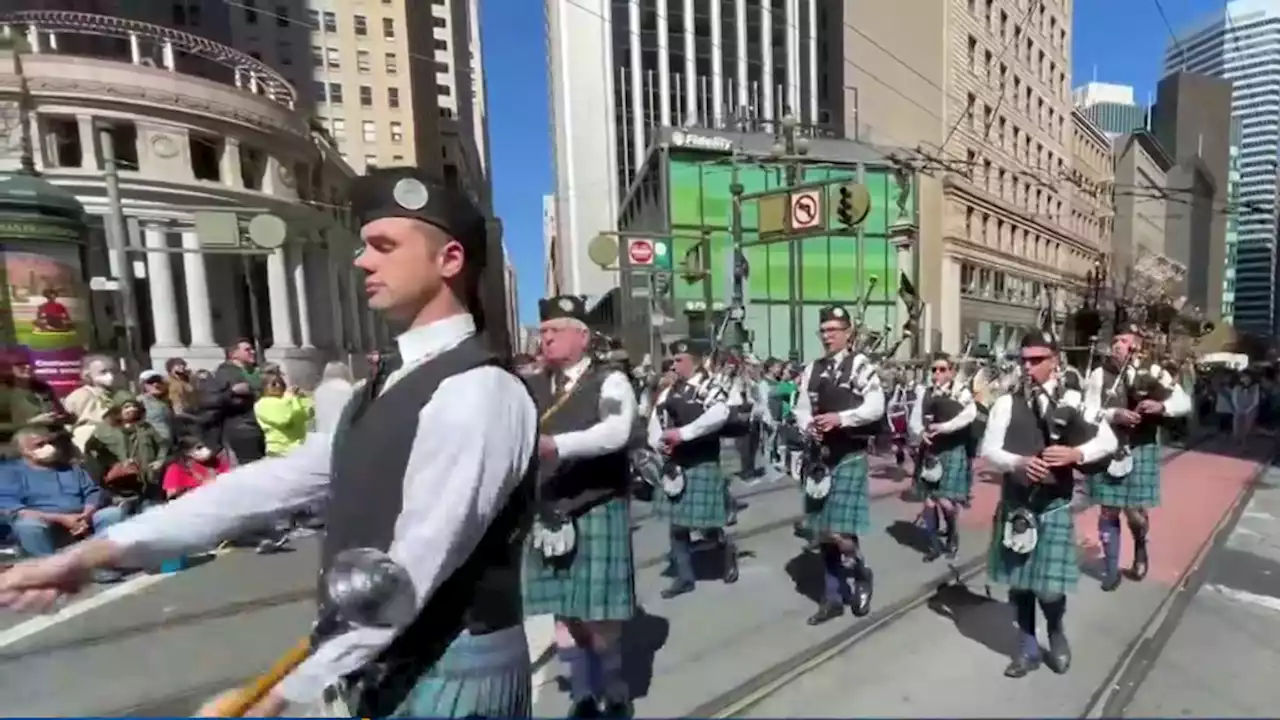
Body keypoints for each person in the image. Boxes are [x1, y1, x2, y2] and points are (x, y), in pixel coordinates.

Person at [0, 167, 539, 718]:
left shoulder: (479, 391)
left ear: (449, 260)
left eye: (383, 246)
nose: (362, 261)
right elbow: (264, 485)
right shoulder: (381, 386)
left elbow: (411, 570)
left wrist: (275, 697)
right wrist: (94, 554)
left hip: (450, 670)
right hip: (380, 662)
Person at [523, 294, 638, 718]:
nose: (546, 338)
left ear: (582, 336)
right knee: (564, 611)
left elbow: (616, 431)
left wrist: (556, 445)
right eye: (544, 331)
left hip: (596, 506)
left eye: (555, 331)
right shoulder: (532, 385)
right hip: (548, 509)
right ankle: (583, 695)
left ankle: (613, 685)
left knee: (600, 616)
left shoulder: (610, 381)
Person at [981, 330, 1117, 678]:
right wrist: (1019, 463)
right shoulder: (1006, 403)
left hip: (1054, 505)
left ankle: (1055, 630)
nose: (1028, 367)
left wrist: (1076, 453)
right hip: (1017, 505)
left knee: (1050, 587)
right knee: (1021, 583)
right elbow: (990, 450)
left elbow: (1108, 440)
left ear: (1054, 360)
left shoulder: (1074, 401)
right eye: (1023, 360)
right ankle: (1027, 648)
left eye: (1037, 360)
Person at [793, 305, 886, 625]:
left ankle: (861, 572)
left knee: (837, 530)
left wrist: (841, 419)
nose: (828, 336)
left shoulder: (860, 366)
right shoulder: (812, 369)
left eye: (834, 330)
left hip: (849, 456)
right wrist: (809, 425)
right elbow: (802, 407)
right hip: (821, 458)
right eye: (824, 330)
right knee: (822, 533)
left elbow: (875, 406)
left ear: (848, 333)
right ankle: (832, 597)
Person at [1082, 326, 1192, 592]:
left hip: (1141, 446)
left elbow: (1184, 401)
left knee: (1135, 513)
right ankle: (1110, 569)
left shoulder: (1154, 372)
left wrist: (1161, 407)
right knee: (1108, 509)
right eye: (1116, 340)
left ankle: (1140, 547)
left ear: (1137, 347)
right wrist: (1113, 414)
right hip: (1108, 448)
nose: (1117, 345)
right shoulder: (1100, 374)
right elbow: (1087, 411)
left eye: (1124, 341)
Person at [647, 338, 739, 599]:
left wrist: (683, 434)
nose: (674, 365)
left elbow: (719, 413)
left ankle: (726, 554)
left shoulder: (709, 386)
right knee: (677, 525)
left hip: (702, 461)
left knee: (705, 524)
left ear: (695, 361)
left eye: (679, 360)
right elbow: (655, 422)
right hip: (676, 464)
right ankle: (684, 577)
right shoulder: (668, 391)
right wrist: (659, 444)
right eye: (673, 360)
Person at [0, 427, 125, 581]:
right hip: (48, 527)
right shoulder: (10, 473)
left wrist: (87, 514)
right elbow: (14, 508)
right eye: (40, 444)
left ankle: (100, 564)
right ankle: (54, 573)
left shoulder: (70, 468)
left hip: (82, 522)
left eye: (50, 442)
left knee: (112, 514)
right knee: (28, 526)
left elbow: (93, 492)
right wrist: (62, 519)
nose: (49, 447)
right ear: (25, 450)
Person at [908, 352, 977, 562]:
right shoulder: (925, 393)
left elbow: (970, 414)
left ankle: (952, 535)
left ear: (951, 372)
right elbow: (914, 420)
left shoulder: (961, 392)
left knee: (946, 502)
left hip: (953, 448)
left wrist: (944, 428)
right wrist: (920, 434)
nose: (937, 374)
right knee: (929, 502)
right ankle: (934, 545)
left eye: (942, 369)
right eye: (934, 369)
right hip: (930, 451)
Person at [199, 339, 266, 464]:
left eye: (252, 349)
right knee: (250, 467)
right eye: (247, 350)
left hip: (261, 426)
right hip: (241, 428)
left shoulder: (256, 372)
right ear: (233, 354)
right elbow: (212, 401)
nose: (253, 352)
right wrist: (233, 392)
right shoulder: (224, 372)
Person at [254, 372, 313, 457]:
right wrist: (290, 398)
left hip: (300, 449)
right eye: (273, 384)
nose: (278, 386)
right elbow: (283, 420)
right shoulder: (262, 403)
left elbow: (309, 413)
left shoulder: (289, 399)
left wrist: (302, 397)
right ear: (264, 386)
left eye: (280, 383)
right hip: (279, 451)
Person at [162, 436, 231, 500]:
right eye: (199, 448)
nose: (206, 450)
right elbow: (172, 500)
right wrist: (201, 489)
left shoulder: (217, 462)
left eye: (207, 446)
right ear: (187, 452)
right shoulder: (176, 469)